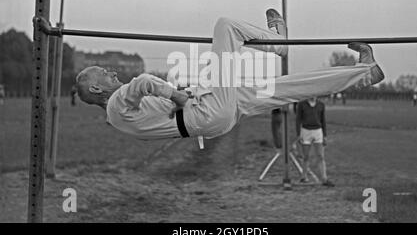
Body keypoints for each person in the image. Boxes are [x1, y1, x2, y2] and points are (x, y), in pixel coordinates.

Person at [53, 9, 384, 141]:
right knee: (225, 26)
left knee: (287, 88)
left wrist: (183, 94)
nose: (111, 72)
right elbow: (142, 82)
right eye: (104, 73)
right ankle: (278, 44)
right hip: (203, 111)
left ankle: (364, 72)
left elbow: (148, 99)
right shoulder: (114, 106)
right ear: (95, 87)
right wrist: (177, 95)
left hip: (211, 113)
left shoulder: (117, 117)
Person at [296, 97, 333, 186]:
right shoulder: (302, 104)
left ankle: (324, 178)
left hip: (318, 131)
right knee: (306, 156)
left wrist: (325, 135)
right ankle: (304, 176)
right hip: (306, 131)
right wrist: (299, 134)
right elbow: (298, 120)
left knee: (320, 156)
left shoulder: (321, 105)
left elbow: (323, 120)